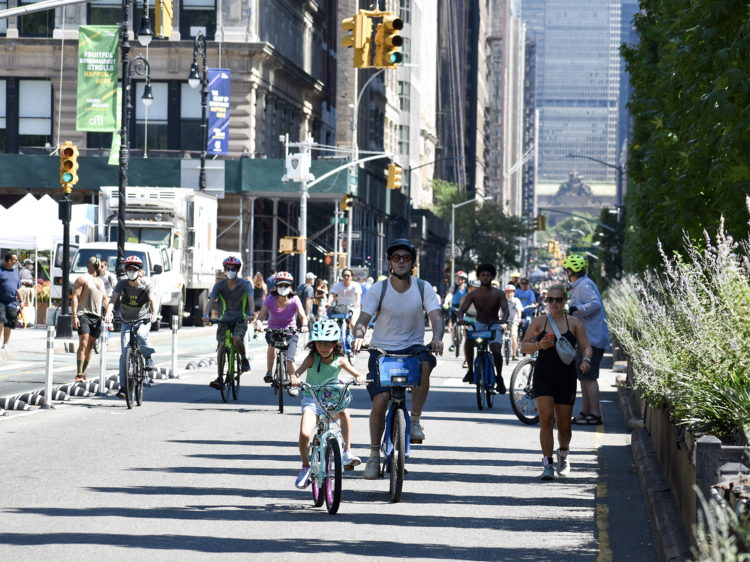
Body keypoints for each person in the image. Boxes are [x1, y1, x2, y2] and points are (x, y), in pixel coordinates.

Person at [352, 239, 444, 480]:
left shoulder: (424, 287)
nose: (401, 261)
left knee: (426, 362)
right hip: (382, 349)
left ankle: (414, 421)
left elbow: (436, 318)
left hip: (413, 347)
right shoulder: (378, 289)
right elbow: (362, 321)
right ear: (389, 262)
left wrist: (436, 337)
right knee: (381, 400)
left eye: (406, 257)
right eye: (396, 257)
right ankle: (373, 456)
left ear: (413, 262)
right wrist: (359, 337)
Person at [520, 283, 593, 480]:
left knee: (564, 426)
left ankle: (564, 455)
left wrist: (586, 360)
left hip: (566, 377)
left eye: (558, 300)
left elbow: (586, 347)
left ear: (565, 300)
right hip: (543, 376)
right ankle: (547, 465)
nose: (553, 303)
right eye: (550, 299)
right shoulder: (539, 321)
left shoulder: (574, 323)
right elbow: (524, 347)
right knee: (546, 421)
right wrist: (538, 345)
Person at [290, 319, 367, 488]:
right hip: (313, 400)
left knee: (345, 413)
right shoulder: (312, 358)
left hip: (333, 400)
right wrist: (294, 378)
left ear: (335, 343)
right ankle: (305, 467)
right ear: (314, 343)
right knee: (304, 434)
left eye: (327, 343)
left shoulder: (339, 359)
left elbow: (356, 373)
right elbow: (297, 373)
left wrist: (360, 377)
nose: (323, 347)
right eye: (319, 343)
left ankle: (346, 452)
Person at [564, 255, 611, 426]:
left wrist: (576, 308)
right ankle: (586, 412)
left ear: (570, 271)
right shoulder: (579, 285)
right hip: (585, 338)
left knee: (589, 376)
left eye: (566, 270)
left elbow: (595, 304)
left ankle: (595, 415)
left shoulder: (584, 285)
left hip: (591, 338)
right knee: (583, 376)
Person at [104, 256, 157, 399]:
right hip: (127, 320)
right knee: (123, 355)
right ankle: (123, 387)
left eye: (134, 269)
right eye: (129, 269)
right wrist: (109, 313)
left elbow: (153, 300)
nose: (131, 271)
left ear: (140, 271)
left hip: (144, 319)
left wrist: (155, 314)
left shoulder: (146, 284)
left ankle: (148, 358)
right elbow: (113, 299)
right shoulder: (122, 284)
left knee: (140, 335)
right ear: (125, 271)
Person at [254, 271, 309, 398]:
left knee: (290, 359)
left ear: (290, 286)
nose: (283, 287)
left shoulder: (294, 299)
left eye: (286, 285)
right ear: (276, 286)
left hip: (291, 332)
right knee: (272, 345)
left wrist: (305, 325)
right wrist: (259, 324)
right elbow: (261, 316)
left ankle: (293, 384)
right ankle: (269, 371)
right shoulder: (270, 299)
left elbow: (302, 316)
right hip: (273, 330)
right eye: (280, 285)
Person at [456, 264, 510, 392]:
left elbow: (505, 310)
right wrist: (460, 319)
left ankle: (499, 377)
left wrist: (504, 319)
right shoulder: (473, 294)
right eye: (483, 275)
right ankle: (470, 370)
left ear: (492, 277)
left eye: (488, 275)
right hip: (478, 324)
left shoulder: (499, 293)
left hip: (494, 324)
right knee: (468, 340)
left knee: (496, 350)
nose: (485, 278)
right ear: (479, 276)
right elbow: (461, 310)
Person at [202, 256, 254, 388]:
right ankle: (220, 377)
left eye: (233, 269)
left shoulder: (245, 284)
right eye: (228, 268)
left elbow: (251, 300)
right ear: (225, 269)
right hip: (224, 320)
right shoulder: (219, 285)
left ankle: (243, 359)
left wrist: (251, 314)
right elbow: (211, 301)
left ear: (237, 270)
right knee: (221, 344)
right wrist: (205, 315)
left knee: (237, 338)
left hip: (241, 319)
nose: (230, 270)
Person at [71, 257, 109, 382]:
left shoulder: (100, 281)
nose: (102, 266)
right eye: (100, 264)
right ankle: (79, 373)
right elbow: (75, 297)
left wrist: (109, 312)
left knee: (90, 346)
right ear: (95, 265)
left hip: (97, 317)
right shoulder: (82, 279)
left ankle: (84, 372)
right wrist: (74, 316)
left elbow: (105, 299)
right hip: (84, 314)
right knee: (84, 343)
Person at [0, 253, 22, 351]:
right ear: (9, 260)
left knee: (9, 323)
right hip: (1, 301)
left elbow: (19, 288)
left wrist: (21, 301)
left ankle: (5, 345)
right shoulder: (1, 270)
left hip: (12, 302)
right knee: (1, 321)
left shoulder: (16, 272)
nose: (17, 262)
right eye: (15, 260)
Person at [443, 271, 468, 351]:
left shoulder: (467, 288)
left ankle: (467, 342)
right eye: (457, 278)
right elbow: (449, 295)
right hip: (454, 308)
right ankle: (452, 344)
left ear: (464, 280)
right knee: (454, 326)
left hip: (464, 308)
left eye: (460, 278)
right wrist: (446, 303)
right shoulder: (454, 287)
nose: (457, 280)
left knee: (465, 326)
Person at [458, 279, 480, 369]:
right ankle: (467, 360)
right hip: (468, 318)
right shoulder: (464, 298)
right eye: (471, 288)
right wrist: (461, 320)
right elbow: (461, 311)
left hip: (479, 319)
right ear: (468, 289)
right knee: (467, 337)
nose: (473, 290)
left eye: (475, 288)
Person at [504, 285, 524, 360]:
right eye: (507, 292)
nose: (509, 294)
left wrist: (519, 318)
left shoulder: (516, 300)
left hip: (513, 321)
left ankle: (514, 355)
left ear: (513, 293)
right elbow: (498, 310)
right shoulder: (502, 300)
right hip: (504, 321)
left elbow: (519, 310)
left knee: (513, 336)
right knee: (499, 334)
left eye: (511, 292)